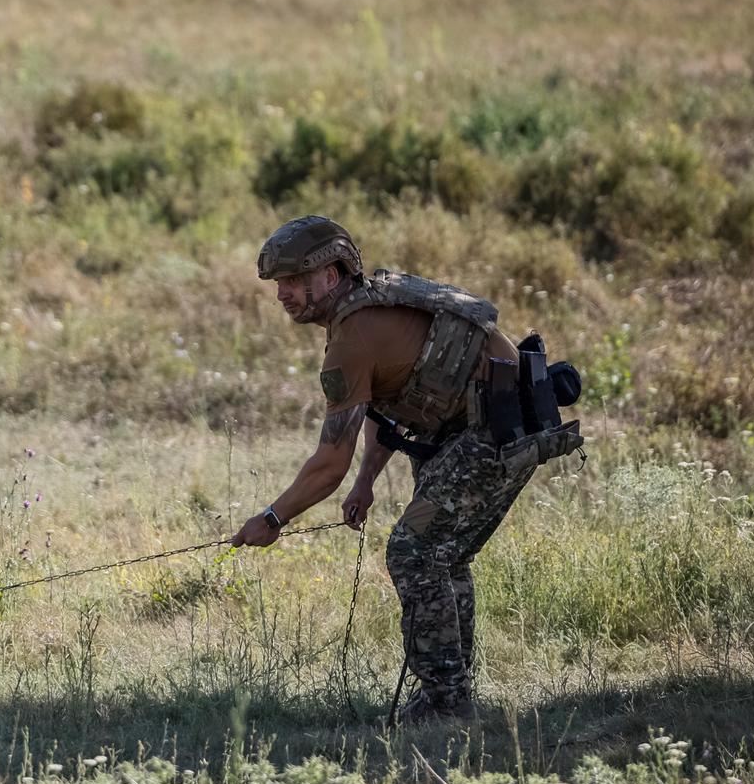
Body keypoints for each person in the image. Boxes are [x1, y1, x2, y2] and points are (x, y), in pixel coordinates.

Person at [229, 215, 580, 723]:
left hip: (493, 431)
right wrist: (367, 482)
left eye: (294, 281)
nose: (283, 294)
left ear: (331, 275)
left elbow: (328, 463)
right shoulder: (368, 311)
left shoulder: (352, 339)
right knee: (441, 558)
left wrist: (273, 519)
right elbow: (389, 405)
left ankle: (446, 702)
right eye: (279, 284)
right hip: (491, 425)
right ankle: (453, 693)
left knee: (415, 553)